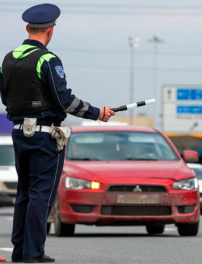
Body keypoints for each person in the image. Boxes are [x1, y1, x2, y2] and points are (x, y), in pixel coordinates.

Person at [0, 3, 115, 263]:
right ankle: (33, 254)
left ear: (27, 28)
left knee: (25, 193)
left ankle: (20, 251)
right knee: (42, 194)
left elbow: (6, 98)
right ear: (50, 31)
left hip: (19, 133)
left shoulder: (7, 59)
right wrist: (98, 112)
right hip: (43, 137)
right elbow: (64, 101)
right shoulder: (47, 60)